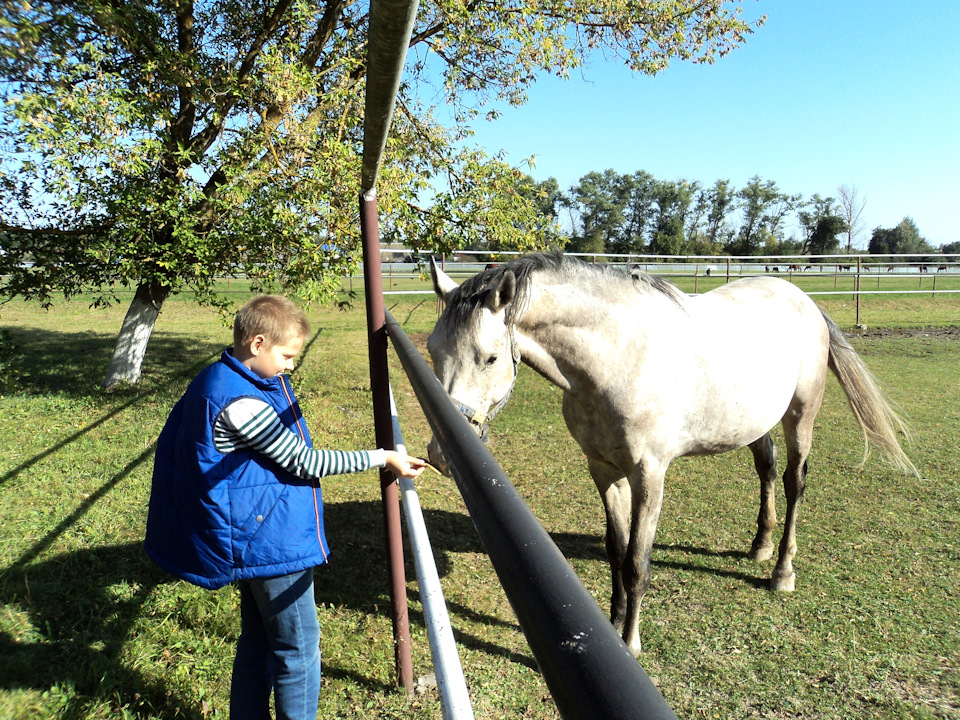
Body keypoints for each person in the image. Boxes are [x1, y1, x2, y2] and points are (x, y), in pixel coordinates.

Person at [144, 294, 425, 720]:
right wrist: (383, 457)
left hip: (252, 531)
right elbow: (304, 461)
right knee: (298, 647)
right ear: (257, 344)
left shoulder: (219, 377)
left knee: (258, 640)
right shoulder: (242, 403)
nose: (291, 366)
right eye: (288, 356)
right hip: (269, 539)